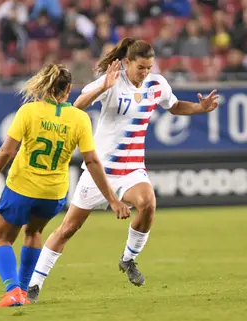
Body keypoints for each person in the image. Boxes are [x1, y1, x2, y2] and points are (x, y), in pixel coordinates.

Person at [26, 38, 219, 302]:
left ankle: (128, 259)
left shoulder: (157, 84)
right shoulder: (112, 80)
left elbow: (173, 106)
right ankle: (35, 284)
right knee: (68, 228)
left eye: (149, 67)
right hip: (100, 171)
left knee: (148, 202)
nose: (145, 73)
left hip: (131, 170)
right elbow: (76, 106)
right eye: (141, 67)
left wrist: (200, 108)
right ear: (127, 62)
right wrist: (103, 86)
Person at [0, 63, 131, 308]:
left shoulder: (29, 111)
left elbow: (7, 151)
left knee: (1, 239)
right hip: (54, 194)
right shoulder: (79, 118)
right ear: (68, 89)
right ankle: (24, 292)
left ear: (45, 86)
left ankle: (13, 291)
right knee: (34, 233)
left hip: (22, 188)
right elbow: (92, 161)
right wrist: (112, 199)